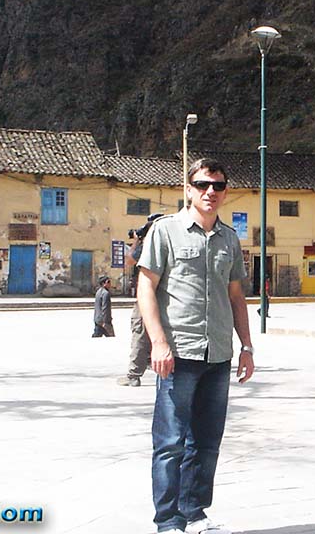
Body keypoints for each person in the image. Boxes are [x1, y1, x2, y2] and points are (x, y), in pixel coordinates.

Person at [137, 158, 253, 534]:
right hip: (177, 354)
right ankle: (168, 521)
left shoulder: (229, 239)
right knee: (170, 441)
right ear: (188, 189)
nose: (210, 192)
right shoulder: (165, 232)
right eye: (203, 185)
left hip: (217, 354)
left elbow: (236, 296)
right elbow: (145, 288)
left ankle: (194, 512)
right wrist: (158, 342)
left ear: (225, 192)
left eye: (218, 186)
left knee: (206, 442)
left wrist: (247, 346)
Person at [118, 210, 164, 386]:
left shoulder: (150, 245)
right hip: (167, 296)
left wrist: (137, 240)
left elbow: (129, 259)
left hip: (149, 294)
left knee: (140, 331)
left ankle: (133, 375)